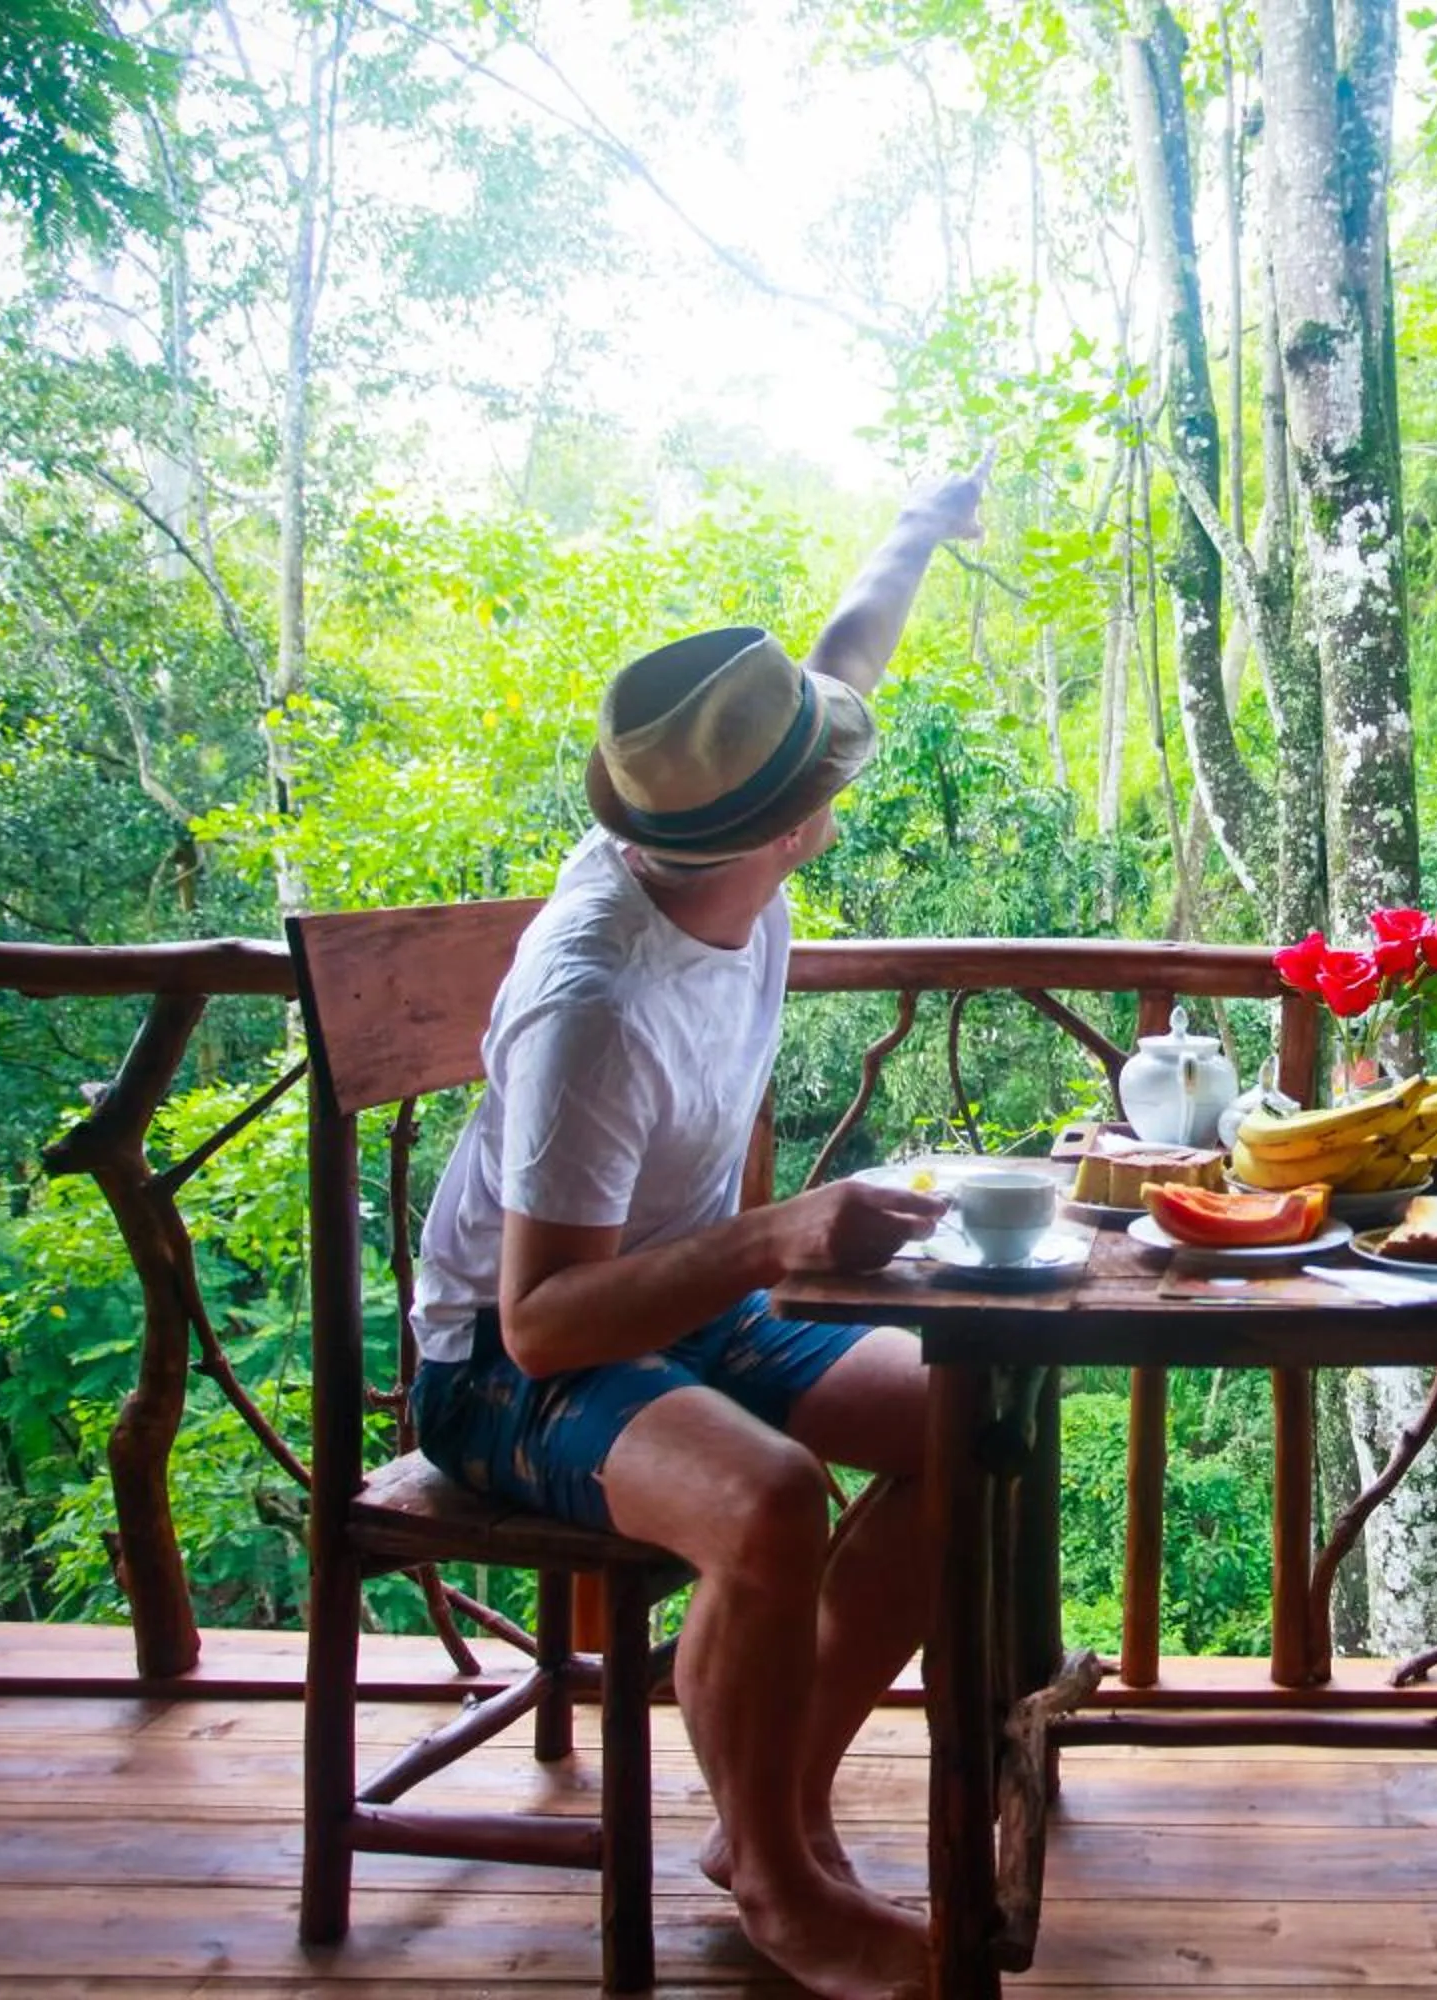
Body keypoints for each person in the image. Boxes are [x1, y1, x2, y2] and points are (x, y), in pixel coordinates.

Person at [405, 458, 988, 2000]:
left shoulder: (713, 842)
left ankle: (773, 1808)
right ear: (793, 830)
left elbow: (846, 651)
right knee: (772, 1497)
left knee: (966, 1417)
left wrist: (923, 526)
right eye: (829, 789)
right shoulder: (595, 1001)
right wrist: (773, 1236)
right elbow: (539, 1324)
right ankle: (784, 1885)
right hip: (502, 1364)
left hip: (676, 1307)